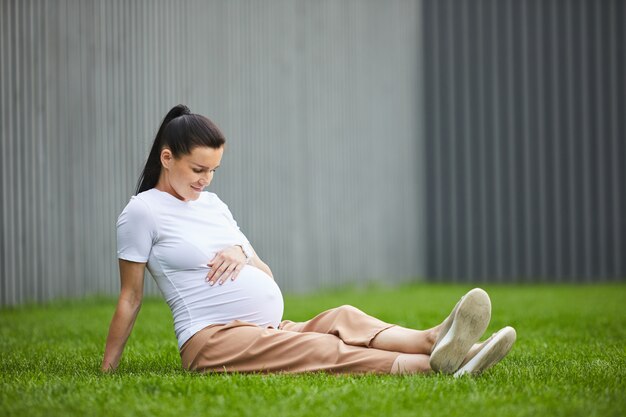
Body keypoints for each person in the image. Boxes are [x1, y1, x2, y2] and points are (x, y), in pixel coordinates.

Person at [101, 104, 517, 376]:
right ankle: (437, 365)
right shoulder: (143, 212)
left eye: (213, 171)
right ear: (167, 158)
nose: (205, 180)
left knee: (342, 317)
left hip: (267, 327)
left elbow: (262, 269)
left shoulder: (213, 205)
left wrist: (240, 251)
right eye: (197, 169)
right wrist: (108, 370)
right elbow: (130, 297)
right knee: (321, 348)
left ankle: (434, 340)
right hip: (213, 340)